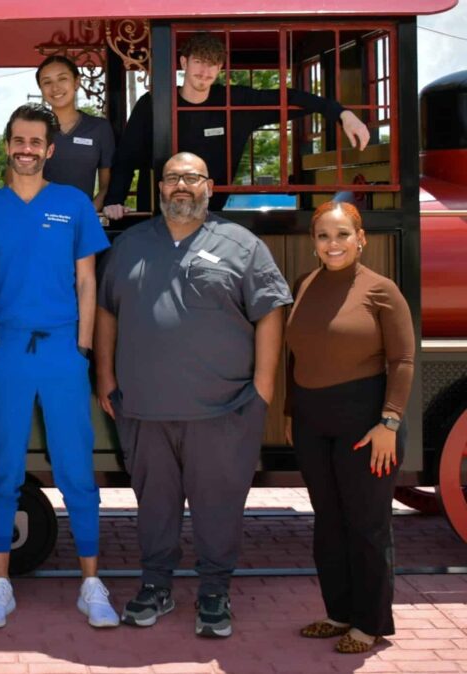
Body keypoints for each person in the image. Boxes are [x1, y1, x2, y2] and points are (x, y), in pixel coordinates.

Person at [94, 152, 292, 638]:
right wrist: (106, 379)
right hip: (143, 408)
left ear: (209, 186)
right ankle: (156, 586)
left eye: (192, 178)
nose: (182, 186)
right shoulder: (131, 245)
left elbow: (270, 312)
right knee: (154, 506)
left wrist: (263, 389)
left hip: (223, 410)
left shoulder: (241, 244)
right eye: (172, 179)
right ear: (159, 188)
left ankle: (213, 592)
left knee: (218, 506)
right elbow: (106, 314)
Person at [0, 103, 116, 629]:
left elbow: (88, 281)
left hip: (63, 351)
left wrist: (84, 349)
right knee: (1, 471)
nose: (26, 150)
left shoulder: (72, 204)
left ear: (50, 149)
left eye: (35, 143)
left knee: (75, 469)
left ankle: (92, 584)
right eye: (17, 141)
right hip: (3, 350)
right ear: (8, 145)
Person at [285, 201, 414, 654]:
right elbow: (296, 355)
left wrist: (389, 422)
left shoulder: (382, 290)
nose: (333, 244)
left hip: (366, 421)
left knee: (367, 525)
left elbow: (402, 361)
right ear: (314, 242)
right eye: (323, 235)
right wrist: (290, 411)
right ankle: (338, 613)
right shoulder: (304, 284)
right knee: (329, 523)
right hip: (311, 420)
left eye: (342, 235)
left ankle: (370, 622)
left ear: (361, 239)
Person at [103, 32, 372, 218]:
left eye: (212, 65)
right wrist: (115, 201)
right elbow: (127, 158)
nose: (204, 72)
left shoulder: (234, 101)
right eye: (198, 62)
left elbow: (289, 98)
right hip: (158, 215)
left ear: (220, 68)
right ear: (184, 62)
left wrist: (341, 113)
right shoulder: (153, 103)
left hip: (212, 215)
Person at [35, 55, 115, 209]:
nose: (55, 87)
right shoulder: (32, 128)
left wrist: (88, 213)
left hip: (81, 221)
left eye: (62, 79)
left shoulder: (99, 128)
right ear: (41, 88)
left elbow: (107, 186)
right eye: (47, 82)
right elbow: (14, 181)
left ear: (77, 82)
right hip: (37, 220)